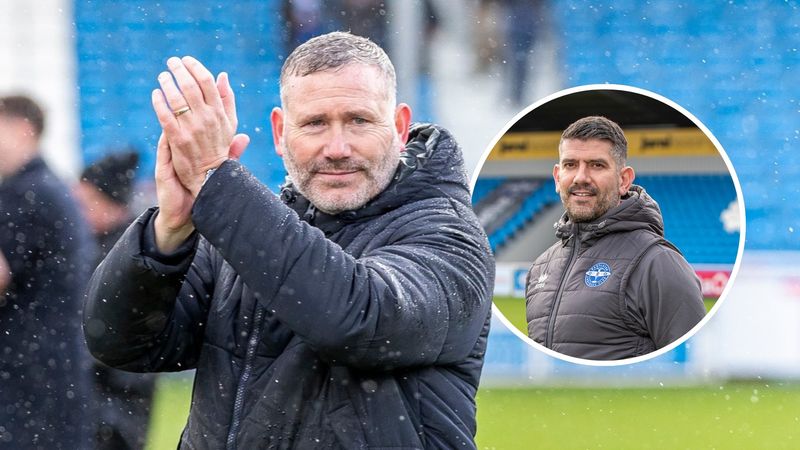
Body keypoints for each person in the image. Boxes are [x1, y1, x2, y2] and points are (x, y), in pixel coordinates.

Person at [84, 31, 494, 449]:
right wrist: (170, 230)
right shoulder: (248, 228)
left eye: (359, 120)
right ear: (280, 133)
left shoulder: (448, 236)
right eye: (315, 123)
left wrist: (215, 179)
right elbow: (120, 342)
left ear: (400, 127)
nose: (337, 147)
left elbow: (358, 320)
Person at [524, 116, 705, 361]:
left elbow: (692, 367)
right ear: (557, 177)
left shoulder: (658, 263)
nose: (580, 177)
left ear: (623, 180)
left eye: (596, 165)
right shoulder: (541, 267)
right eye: (570, 165)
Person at [0, 95, 94, 448]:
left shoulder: (25, 193)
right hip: (52, 366)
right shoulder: (49, 187)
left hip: (25, 371)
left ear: (23, 129)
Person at [74, 150, 157, 450]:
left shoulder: (131, 256)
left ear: (111, 204)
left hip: (116, 403)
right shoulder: (95, 245)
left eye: (84, 203)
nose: (77, 212)